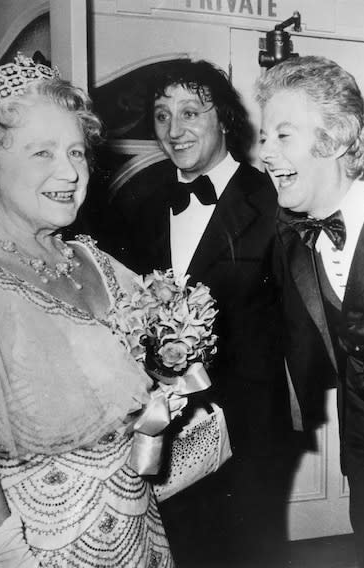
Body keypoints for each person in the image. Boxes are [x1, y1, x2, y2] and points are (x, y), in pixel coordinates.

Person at [0, 54, 174, 567]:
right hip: (38, 551)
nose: (68, 171)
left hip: (137, 533)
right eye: (41, 153)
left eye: (76, 151)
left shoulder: (91, 256)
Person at [85, 58, 311, 567]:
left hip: (251, 426)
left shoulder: (276, 202)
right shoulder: (138, 202)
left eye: (190, 111)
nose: (174, 129)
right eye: (162, 115)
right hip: (163, 426)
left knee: (250, 553)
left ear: (224, 119)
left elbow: (304, 328)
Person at [257, 54, 364, 568]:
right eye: (264, 137)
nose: (264, 153)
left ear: (337, 138)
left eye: (282, 136)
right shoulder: (290, 234)